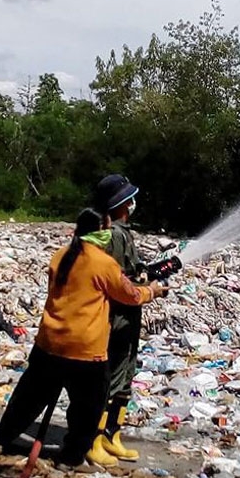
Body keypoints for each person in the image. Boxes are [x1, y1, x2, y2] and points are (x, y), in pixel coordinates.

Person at [0, 209, 168, 469]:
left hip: (48, 343)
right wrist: (152, 290)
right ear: (101, 230)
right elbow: (130, 295)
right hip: (85, 350)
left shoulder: (61, 255)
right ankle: (70, 458)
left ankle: (0, 439)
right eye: (107, 228)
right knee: (87, 410)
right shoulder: (103, 263)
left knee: (28, 398)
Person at [90, 174, 147, 462]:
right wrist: (147, 290)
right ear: (123, 203)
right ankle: (94, 439)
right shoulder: (111, 235)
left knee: (125, 376)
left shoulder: (123, 232)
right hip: (115, 316)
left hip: (129, 316)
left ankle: (114, 434)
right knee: (110, 377)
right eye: (130, 198)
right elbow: (115, 279)